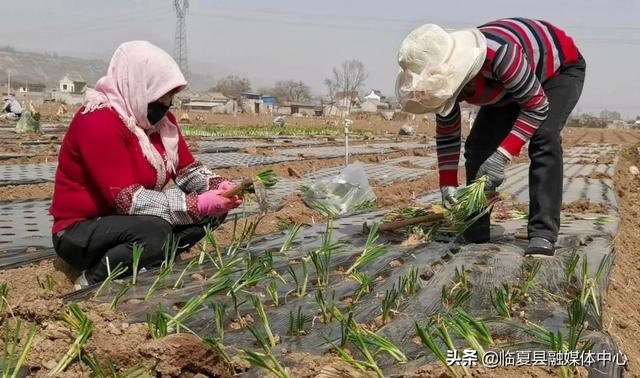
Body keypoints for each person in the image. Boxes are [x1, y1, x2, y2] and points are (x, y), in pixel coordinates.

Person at [49, 41, 242, 287]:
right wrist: (197, 204)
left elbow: (186, 170)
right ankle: (92, 279)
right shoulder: (99, 121)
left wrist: (218, 186)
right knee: (154, 230)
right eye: (161, 97)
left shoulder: (161, 124)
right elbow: (127, 200)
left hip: (130, 223)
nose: (166, 106)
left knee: (213, 211)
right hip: (81, 231)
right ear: (139, 86)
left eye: (170, 98)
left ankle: (150, 259)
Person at [396, 18, 586, 256]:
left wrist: (503, 155)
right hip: (509, 87)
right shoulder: (442, 83)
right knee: (478, 147)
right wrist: (447, 182)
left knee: (544, 137)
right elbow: (448, 132)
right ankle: (475, 232)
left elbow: (536, 106)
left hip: (556, 72)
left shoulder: (500, 55)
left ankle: (542, 233)